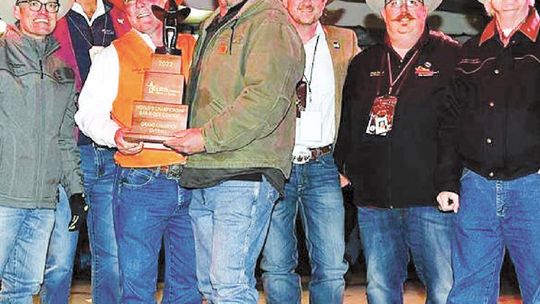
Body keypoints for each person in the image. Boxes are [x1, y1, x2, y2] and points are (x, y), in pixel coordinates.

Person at [162, 0, 304, 301]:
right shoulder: (214, 22)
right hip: (206, 168)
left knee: (230, 286)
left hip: (243, 171)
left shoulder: (269, 22)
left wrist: (205, 137)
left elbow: (266, 99)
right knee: (211, 286)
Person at [334, 0, 460, 303]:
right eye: (394, 2)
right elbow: (349, 123)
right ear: (383, 12)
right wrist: (346, 167)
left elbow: (459, 128)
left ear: (425, 10)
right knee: (379, 289)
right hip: (375, 202)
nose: (403, 9)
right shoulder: (363, 63)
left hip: (431, 199)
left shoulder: (453, 56)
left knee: (444, 290)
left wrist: (448, 182)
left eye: (412, 2)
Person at [75, 0, 201, 302]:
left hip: (195, 181)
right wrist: (115, 135)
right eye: (130, 2)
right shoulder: (113, 54)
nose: (140, 5)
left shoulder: (196, 46)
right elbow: (87, 113)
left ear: (174, 4)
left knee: (189, 285)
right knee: (136, 286)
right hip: (140, 181)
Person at [437, 0, 540, 303]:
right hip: (476, 190)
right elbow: (450, 122)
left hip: (533, 188)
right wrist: (447, 181)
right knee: (469, 292)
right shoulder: (469, 51)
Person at [259, 0, 359, 302]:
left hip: (324, 165)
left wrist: (349, 165)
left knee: (331, 267)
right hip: (276, 165)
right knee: (276, 265)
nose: (307, 2)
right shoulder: (263, 42)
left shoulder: (344, 40)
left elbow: (360, 104)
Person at [40, 1, 130, 303]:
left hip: (114, 152)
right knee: (59, 261)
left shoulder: (122, 16)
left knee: (113, 258)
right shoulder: (55, 16)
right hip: (68, 152)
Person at [0, 0, 85, 302]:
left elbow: (65, 139)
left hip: (44, 204)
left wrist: (76, 193)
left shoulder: (63, 73)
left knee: (24, 289)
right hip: (4, 199)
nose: (43, 11)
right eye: (33, 3)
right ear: (17, 11)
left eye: (51, 5)